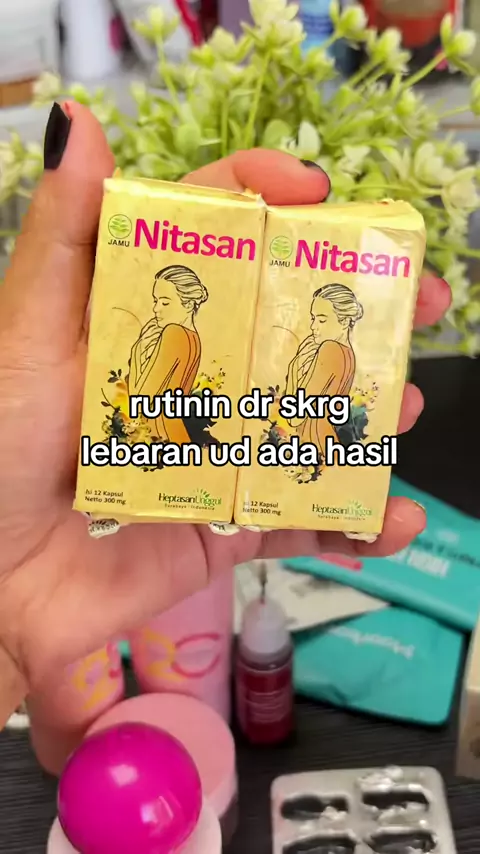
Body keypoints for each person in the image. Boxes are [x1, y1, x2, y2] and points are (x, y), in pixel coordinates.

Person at [0, 102, 450, 771]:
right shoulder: (179, 332)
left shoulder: (287, 347)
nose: (157, 307)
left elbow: (300, 393)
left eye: (323, 313)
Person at [127, 264, 207, 443]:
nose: (156, 309)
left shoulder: (173, 333)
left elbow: (140, 401)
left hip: (162, 435)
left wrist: (138, 349)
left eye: (165, 303)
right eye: (155, 301)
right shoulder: (193, 338)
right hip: (173, 433)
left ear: (188, 305)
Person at [285, 283, 362, 458]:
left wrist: (294, 367)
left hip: (314, 444)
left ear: (344, 322)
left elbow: (295, 416)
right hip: (326, 444)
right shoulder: (349, 354)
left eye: (321, 320)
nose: (313, 326)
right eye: (313, 318)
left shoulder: (330, 349)